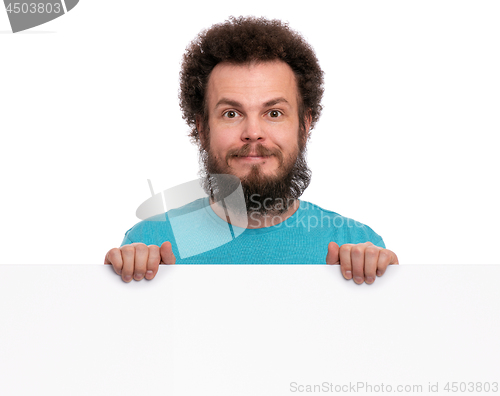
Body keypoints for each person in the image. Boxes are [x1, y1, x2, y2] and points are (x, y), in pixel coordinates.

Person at [104, 16, 398, 284]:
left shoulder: (357, 248)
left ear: (305, 124)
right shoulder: (151, 244)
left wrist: (391, 286)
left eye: (273, 113)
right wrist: (120, 286)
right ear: (202, 128)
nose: (253, 133)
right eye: (231, 113)